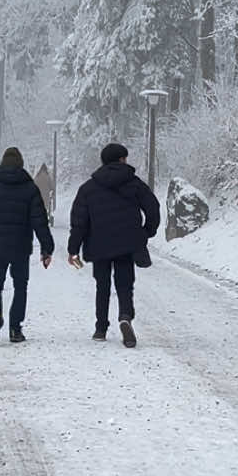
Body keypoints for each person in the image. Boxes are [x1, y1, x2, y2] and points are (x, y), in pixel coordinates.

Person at [67, 141, 160, 347]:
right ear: (122, 159)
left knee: (103, 286)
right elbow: (152, 206)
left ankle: (101, 328)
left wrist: (73, 249)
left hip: (98, 244)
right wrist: (146, 232)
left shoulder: (88, 188)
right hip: (127, 244)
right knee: (125, 284)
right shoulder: (134, 183)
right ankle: (125, 316)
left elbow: (79, 221)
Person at [0, 146, 54, 344]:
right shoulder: (29, 188)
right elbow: (39, 220)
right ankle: (15, 329)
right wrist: (46, 247)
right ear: (21, 163)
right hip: (20, 246)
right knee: (20, 286)